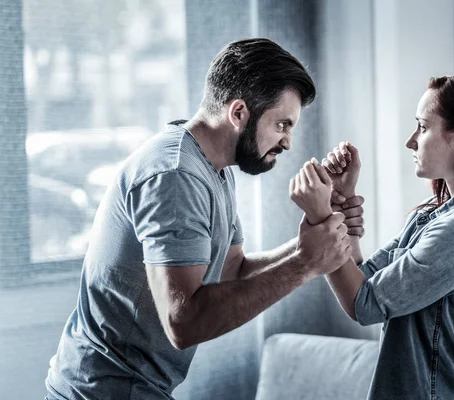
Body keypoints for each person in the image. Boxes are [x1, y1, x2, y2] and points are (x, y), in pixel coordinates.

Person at [45, 38, 364, 400]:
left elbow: (231, 270)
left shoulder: (213, 169)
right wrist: (306, 263)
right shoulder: (176, 174)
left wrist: (314, 242)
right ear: (239, 112)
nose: (288, 142)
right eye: (282, 125)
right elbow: (183, 321)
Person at [290, 72, 454, 399]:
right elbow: (363, 281)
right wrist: (342, 198)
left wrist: (321, 216)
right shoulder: (432, 217)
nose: (411, 140)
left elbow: (364, 305)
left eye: (423, 127)